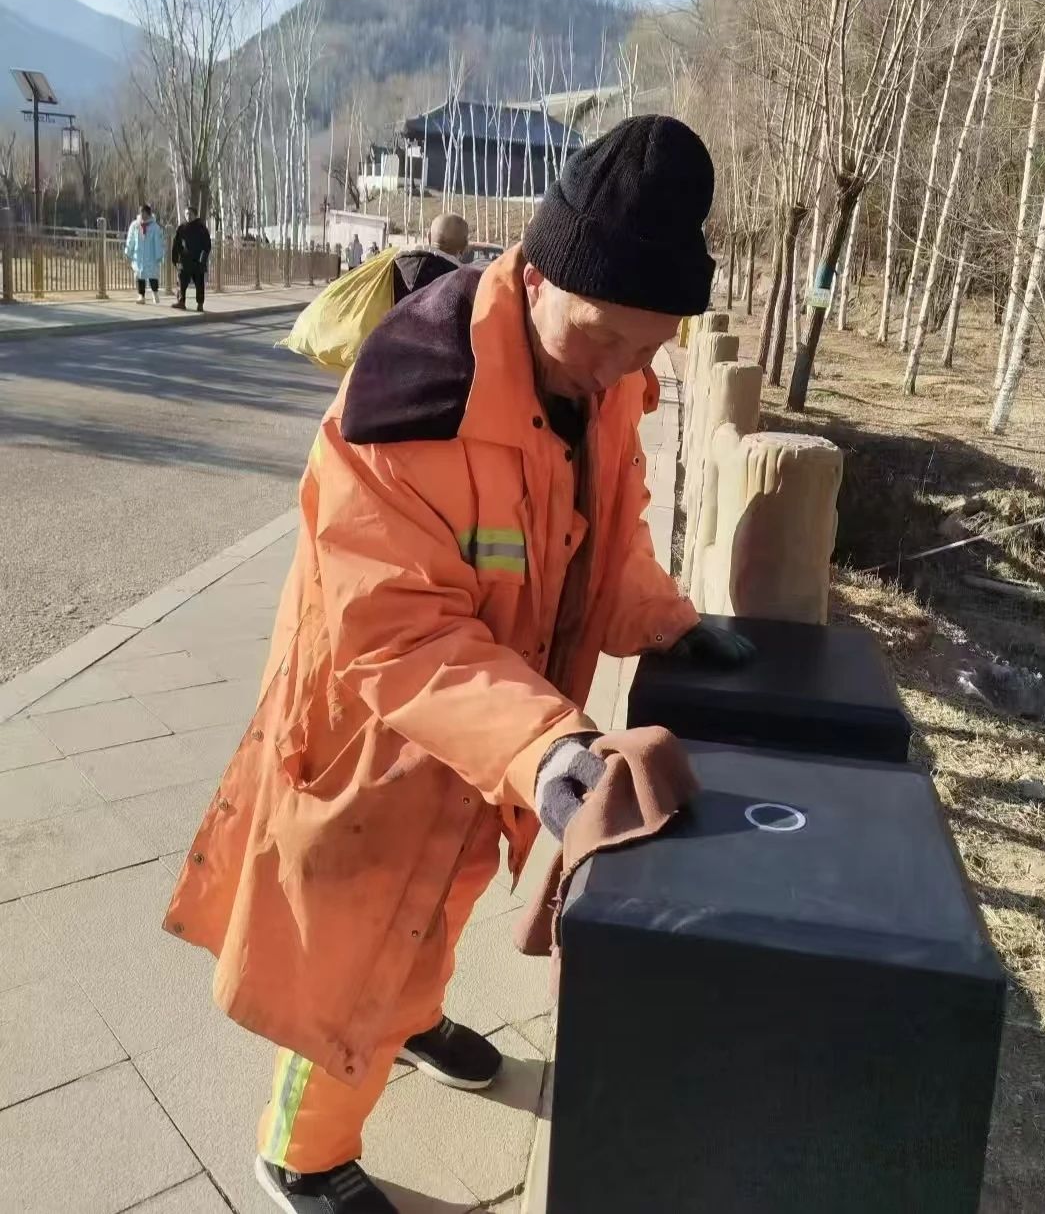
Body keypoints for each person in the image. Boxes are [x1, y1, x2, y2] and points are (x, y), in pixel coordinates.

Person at [164, 116, 753, 1214]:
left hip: (497, 731)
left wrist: (669, 622)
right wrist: (547, 746)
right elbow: (397, 632)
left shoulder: (603, 380)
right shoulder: (411, 398)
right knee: (351, 958)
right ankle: (300, 1155)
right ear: (536, 275)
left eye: (647, 350)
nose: (621, 373)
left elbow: (606, 541)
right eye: (605, 339)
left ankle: (412, 1018)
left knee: (439, 903)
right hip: (379, 739)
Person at [171, 204, 213, 312]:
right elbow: (176, 244)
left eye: (190, 214)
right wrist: (176, 258)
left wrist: (202, 259)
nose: (188, 216)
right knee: (181, 281)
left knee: (199, 283)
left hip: (198, 261)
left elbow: (207, 245)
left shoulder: (201, 228)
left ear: (195, 215)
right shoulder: (182, 228)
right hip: (185, 260)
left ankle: (200, 303)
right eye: (186, 214)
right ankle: (181, 301)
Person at [125, 203, 165, 304]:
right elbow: (131, 239)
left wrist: (159, 255)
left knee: (152, 275)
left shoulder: (155, 227)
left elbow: (158, 242)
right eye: (141, 212)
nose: (143, 215)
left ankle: (155, 293)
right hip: (138, 255)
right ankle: (141, 296)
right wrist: (128, 251)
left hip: (151, 255)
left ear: (149, 214)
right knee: (140, 275)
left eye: (145, 213)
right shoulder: (135, 225)